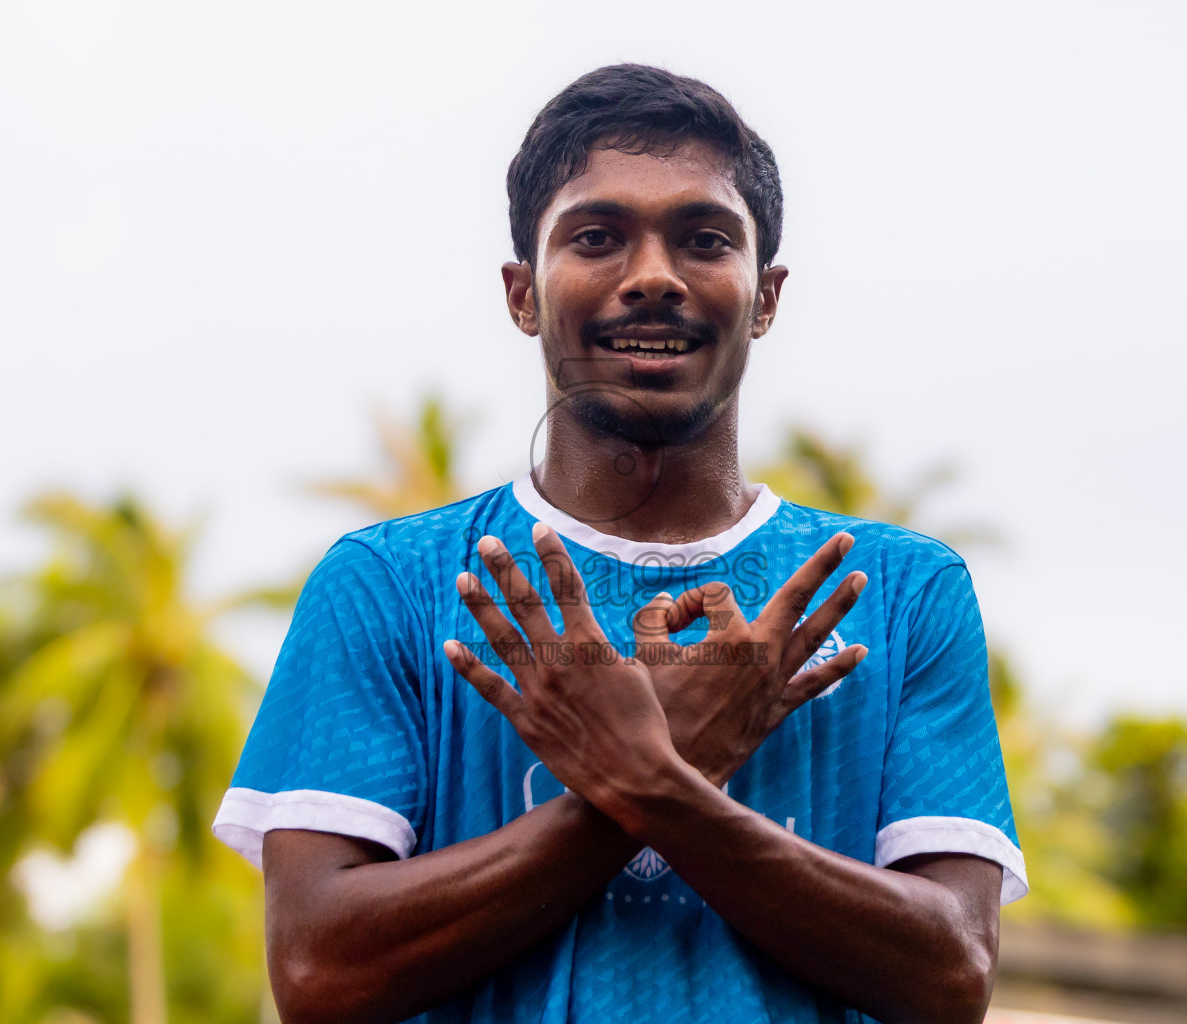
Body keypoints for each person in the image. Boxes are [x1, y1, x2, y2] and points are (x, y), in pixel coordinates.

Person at [212, 64, 1027, 1024]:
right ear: (524, 293)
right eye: (596, 238)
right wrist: (672, 765)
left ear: (765, 297)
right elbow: (318, 974)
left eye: (705, 239)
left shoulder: (898, 593)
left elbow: (951, 978)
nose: (651, 276)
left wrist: (653, 783)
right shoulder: (390, 585)